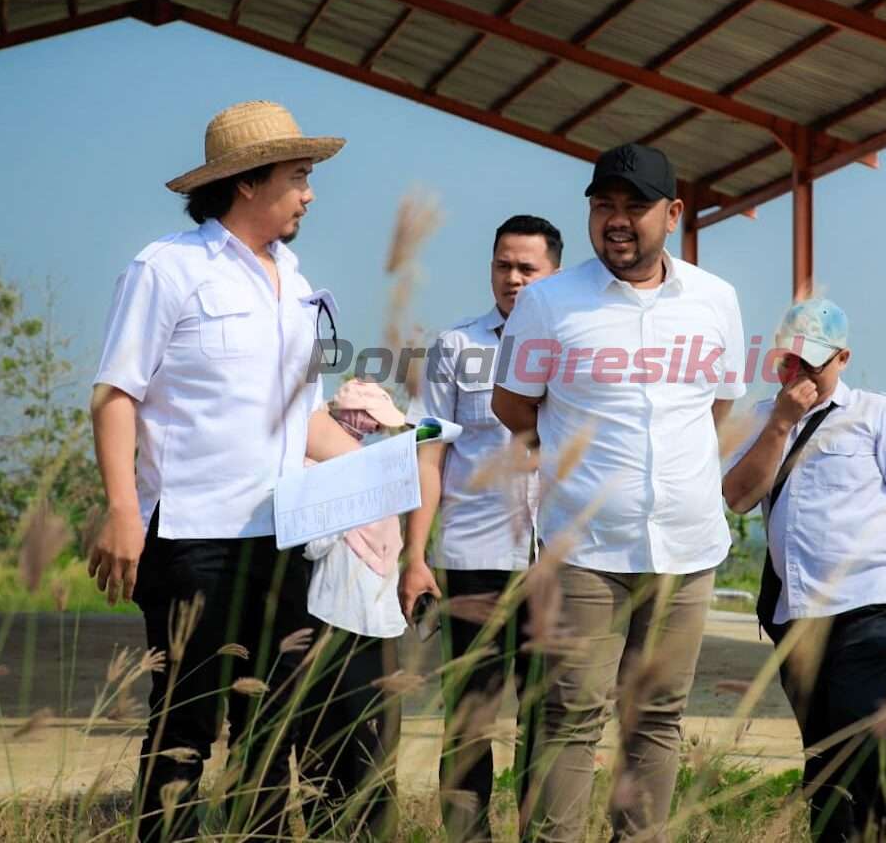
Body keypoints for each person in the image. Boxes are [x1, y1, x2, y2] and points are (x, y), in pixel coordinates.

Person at [87, 100, 363, 842]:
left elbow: (301, 421)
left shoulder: (299, 286)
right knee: (185, 726)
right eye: (299, 177)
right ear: (246, 183)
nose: (310, 193)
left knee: (273, 733)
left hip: (283, 540)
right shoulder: (168, 269)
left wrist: (380, 469)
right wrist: (121, 511)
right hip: (191, 541)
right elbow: (116, 395)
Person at [492, 143, 746, 842]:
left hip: (687, 549)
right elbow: (514, 407)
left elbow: (715, 407)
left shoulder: (715, 300)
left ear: (673, 214)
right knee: (572, 715)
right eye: (604, 205)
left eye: (635, 206)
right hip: (585, 549)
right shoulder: (548, 301)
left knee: (658, 715)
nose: (617, 220)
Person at [723, 299, 886, 842]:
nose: (799, 374)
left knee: (855, 721)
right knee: (827, 744)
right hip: (796, 611)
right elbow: (737, 497)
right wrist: (782, 423)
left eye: (812, 362)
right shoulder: (764, 419)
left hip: (873, 602)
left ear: (843, 358)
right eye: (788, 362)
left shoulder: (877, 414)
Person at [400, 214, 560, 841]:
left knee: (550, 722)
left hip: (557, 562)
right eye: (503, 265)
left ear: (553, 273)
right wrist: (416, 556)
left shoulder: (576, 346)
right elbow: (429, 454)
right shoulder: (455, 347)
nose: (513, 278)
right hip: (474, 560)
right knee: (469, 721)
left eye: (528, 268)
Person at [298, 379, 409, 841]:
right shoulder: (311, 467)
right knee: (326, 737)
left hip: (379, 620)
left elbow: (391, 544)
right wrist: (345, 499)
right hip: (330, 615)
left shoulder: (374, 468)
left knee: (377, 745)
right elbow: (312, 543)